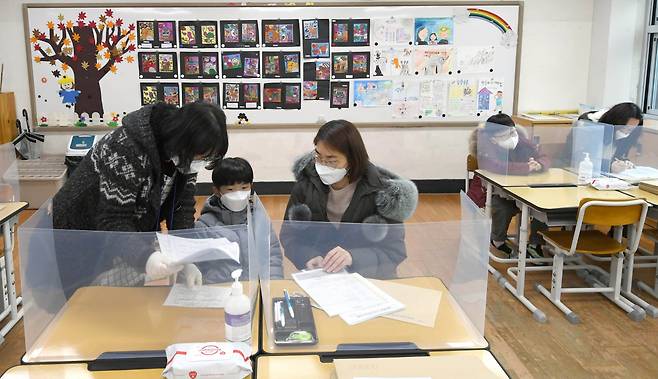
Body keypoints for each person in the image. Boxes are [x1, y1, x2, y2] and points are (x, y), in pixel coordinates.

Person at [51, 102, 228, 295]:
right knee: (85, 302)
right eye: (199, 156)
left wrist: (186, 258)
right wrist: (146, 257)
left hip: (122, 228)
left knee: (124, 298)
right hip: (80, 230)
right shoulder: (126, 148)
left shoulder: (184, 156)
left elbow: (182, 208)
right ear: (181, 141)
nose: (199, 163)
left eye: (205, 158)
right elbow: (113, 220)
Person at [281, 120, 418, 279]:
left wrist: (353, 258)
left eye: (332, 160)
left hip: (368, 279)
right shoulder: (306, 185)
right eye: (318, 157)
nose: (322, 166)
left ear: (353, 160)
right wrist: (308, 256)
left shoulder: (383, 194)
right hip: (321, 278)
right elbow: (290, 235)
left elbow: (393, 251)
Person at [194, 157, 284, 282]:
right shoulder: (204, 225)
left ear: (251, 186)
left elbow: (272, 256)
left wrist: (275, 285)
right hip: (223, 293)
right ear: (217, 191)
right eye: (230, 189)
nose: (238, 194)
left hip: (257, 291)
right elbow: (198, 269)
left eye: (244, 188)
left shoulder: (259, 218)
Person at [477, 113, 549, 258]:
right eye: (505, 135)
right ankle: (497, 240)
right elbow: (495, 166)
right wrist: (526, 168)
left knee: (543, 207)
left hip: (525, 189)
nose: (512, 137)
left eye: (513, 132)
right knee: (502, 207)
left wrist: (539, 165)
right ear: (493, 139)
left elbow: (544, 156)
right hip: (497, 191)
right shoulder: (485, 145)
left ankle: (535, 244)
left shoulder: (522, 141)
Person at [558, 102, 643, 174]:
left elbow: (618, 155)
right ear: (616, 122)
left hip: (605, 176)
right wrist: (609, 166)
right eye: (625, 128)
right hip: (575, 171)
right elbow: (581, 158)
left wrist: (624, 162)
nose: (626, 133)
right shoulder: (588, 126)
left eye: (631, 130)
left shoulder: (627, 135)